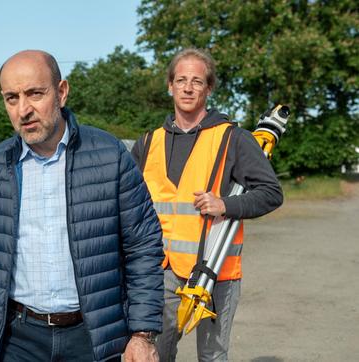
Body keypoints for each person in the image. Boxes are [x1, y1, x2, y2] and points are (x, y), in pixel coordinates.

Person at [0, 50, 165, 362]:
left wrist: (142, 334)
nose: (24, 109)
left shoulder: (109, 155)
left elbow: (143, 246)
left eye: (35, 94)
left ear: (61, 92)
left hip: (94, 338)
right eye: (11, 98)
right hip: (17, 341)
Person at [130, 48, 283, 361]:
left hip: (216, 271)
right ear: (170, 85)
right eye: (181, 80)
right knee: (155, 353)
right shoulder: (148, 142)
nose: (188, 88)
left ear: (208, 88)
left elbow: (271, 192)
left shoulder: (233, 138)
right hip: (160, 273)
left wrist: (226, 204)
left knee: (212, 356)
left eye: (197, 81)